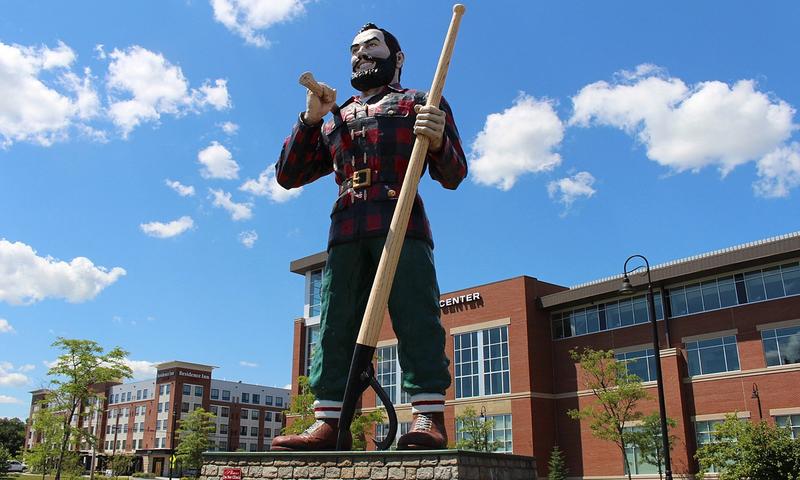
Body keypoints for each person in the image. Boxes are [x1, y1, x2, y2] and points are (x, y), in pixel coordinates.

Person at [271, 22, 466, 451]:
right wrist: (311, 118)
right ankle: (329, 422)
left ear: (397, 58)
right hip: (345, 228)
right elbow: (288, 175)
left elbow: (453, 174)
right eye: (354, 49)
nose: (360, 54)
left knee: (416, 315)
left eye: (372, 46)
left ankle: (428, 416)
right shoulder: (335, 118)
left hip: (402, 221)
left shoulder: (421, 102)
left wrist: (436, 141)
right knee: (336, 323)